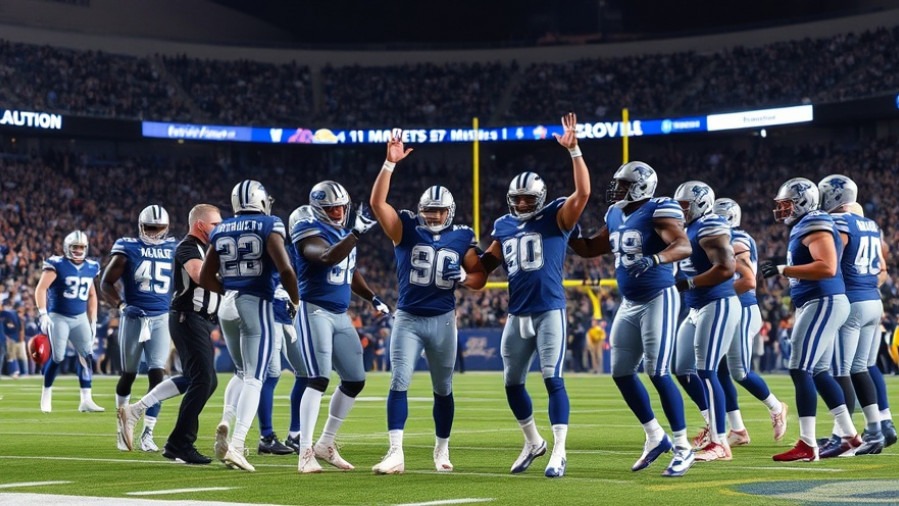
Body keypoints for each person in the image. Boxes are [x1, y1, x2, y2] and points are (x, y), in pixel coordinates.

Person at [368, 132, 488, 474]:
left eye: (439, 211)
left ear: (449, 212)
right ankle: (395, 452)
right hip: (408, 318)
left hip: (443, 320)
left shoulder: (462, 235)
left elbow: (479, 277)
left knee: (443, 388)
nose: (434, 216)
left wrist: (463, 278)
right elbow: (378, 204)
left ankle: (442, 449)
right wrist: (390, 163)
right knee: (398, 381)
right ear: (421, 211)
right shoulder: (406, 227)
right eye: (429, 211)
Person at [478, 113, 589, 478]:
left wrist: (573, 151)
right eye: (518, 200)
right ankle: (533, 441)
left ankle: (559, 450)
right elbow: (486, 265)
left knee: (552, 378)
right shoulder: (503, 225)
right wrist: (461, 269)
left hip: (549, 310)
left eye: (528, 200)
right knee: (511, 383)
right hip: (516, 313)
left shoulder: (556, 215)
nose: (523, 205)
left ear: (539, 198)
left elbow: (583, 193)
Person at [569, 161, 694, 477]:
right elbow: (591, 248)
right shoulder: (614, 213)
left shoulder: (658, 208)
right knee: (621, 372)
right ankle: (655, 436)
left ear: (641, 185)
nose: (617, 189)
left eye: (623, 184)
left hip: (658, 297)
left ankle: (683, 447)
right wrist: (566, 231)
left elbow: (682, 245)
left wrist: (655, 258)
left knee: (658, 370)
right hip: (630, 301)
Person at [200, 180, 300, 473]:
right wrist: (295, 301)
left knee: (242, 372)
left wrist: (231, 286)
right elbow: (285, 270)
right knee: (256, 377)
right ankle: (239, 443)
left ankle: (227, 421)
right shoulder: (270, 223)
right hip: (257, 302)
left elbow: (205, 278)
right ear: (260, 201)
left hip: (227, 303)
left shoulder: (221, 228)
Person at [292, 180, 387, 474]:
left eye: (340, 207)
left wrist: (372, 297)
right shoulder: (308, 229)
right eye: (331, 208)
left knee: (355, 380)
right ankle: (305, 451)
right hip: (314, 311)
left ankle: (326, 443)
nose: (337, 212)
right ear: (318, 209)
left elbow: (348, 270)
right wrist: (356, 233)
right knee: (318, 378)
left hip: (339, 314)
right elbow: (326, 256)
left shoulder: (343, 234)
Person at [761, 177, 857, 461]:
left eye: (787, 204)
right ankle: (850, 435)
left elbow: (827, 267)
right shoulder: (806, 225)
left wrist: (783, 268)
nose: (781, 210)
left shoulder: (813, 223)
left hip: (823, 299)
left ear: (803, 201)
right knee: (817, 371)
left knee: (799, 367)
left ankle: (807, 443)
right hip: (818, 300)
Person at [119, 204, 223, 464]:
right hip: (187, 317)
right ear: (200, 225)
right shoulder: (188, 246)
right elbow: (199, 275)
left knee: (202, 380)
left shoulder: (209, 248)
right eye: (215, 225)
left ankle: (136, 410)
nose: (219, 229)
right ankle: (180, 443)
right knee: (203, 380)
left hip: (200, 319)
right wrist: (236, 280)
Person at [817, 175, 890, 454]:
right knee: (860, 368)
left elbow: (832, 262)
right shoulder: (870, 224)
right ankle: (875, 432)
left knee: (840, 370)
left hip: (851, 302)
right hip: (873, 299)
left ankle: (843, 438)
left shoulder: (840, 223)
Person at [670, 181, 739, 462]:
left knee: (707, 371)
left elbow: (726, 268)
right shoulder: (687, 229)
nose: (680, 211)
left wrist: (688, 283)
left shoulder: (711, 226)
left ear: (700, 203)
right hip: (696, 307)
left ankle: (721, 443)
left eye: (684, 205)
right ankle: (713, 425)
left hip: (717, 303)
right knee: (681, 368)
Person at [711, 198, 788, 447]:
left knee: (740, 371)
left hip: (742, 308)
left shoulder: (736, 239)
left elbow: (747, 280)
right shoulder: (719, 238)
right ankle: (737, 430)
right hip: (726, 308)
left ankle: (776, 407)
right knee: (719, 370)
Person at [101, 205, 176, 452]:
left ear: (166, 228)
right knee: (129, 374)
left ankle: (148, 433)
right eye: (150, 228)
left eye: (158, 229)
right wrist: (121, 305)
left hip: (161, 318)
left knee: (158, 375)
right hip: (134, 318)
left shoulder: (174, 248)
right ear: (141, 227)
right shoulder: (127, 248)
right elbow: (106, 283)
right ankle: (122, 427)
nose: (154, 234)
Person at [34, 230, 104, 413]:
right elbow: (41, 289)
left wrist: (93, 320)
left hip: (80, 317)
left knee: (86, 355)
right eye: (75, 247)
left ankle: (86, 399)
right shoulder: (56, 264)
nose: (79, 250)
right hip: (59, 316)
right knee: (57, 356)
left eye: (81, 247)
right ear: (67, 247)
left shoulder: (91, 266)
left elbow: (92, 295)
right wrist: (43, 314)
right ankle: (46, 394)